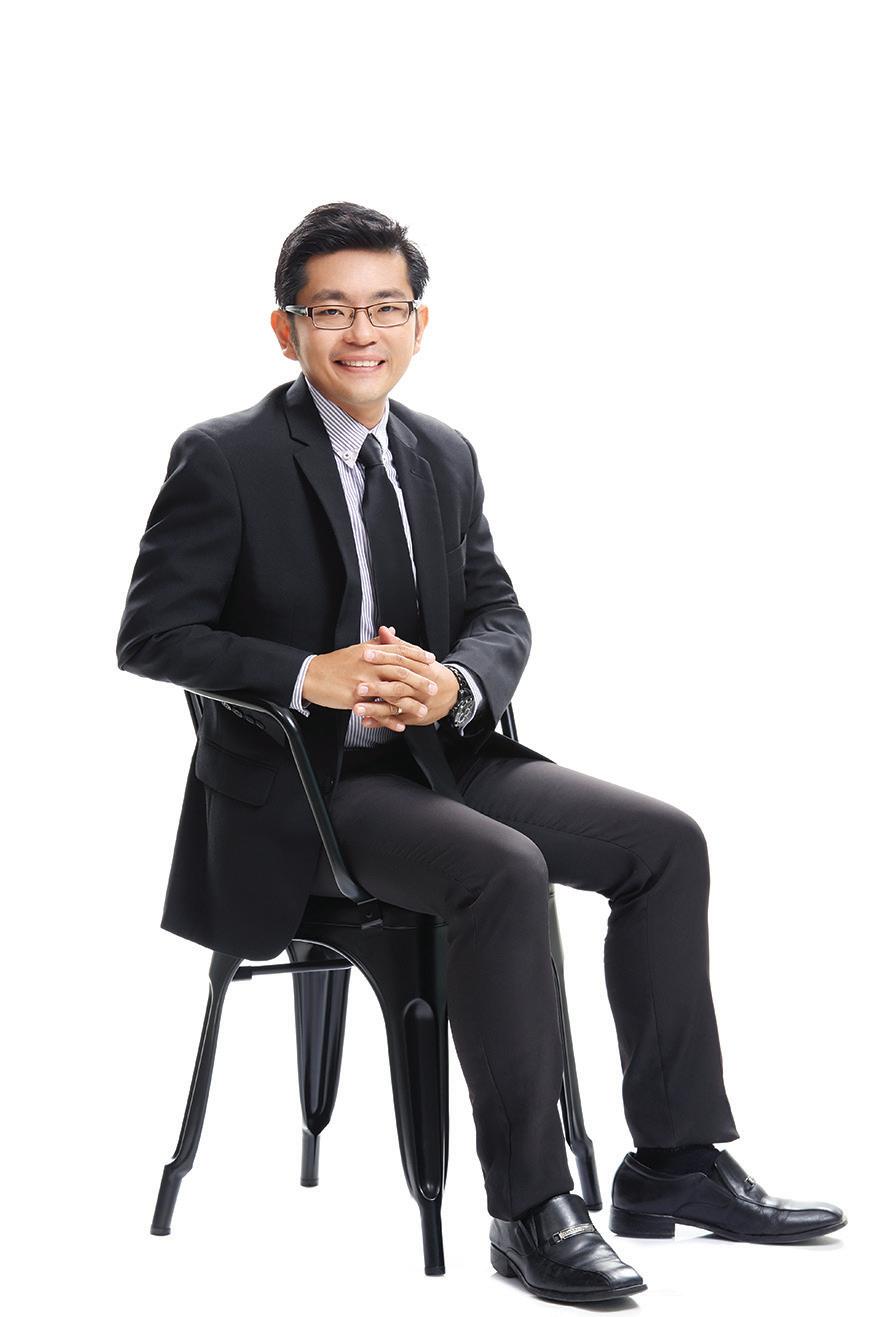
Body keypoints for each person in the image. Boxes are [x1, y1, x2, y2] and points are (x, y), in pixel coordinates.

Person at [116, 201, 846, 1303]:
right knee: (500, 868)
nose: (361, 331)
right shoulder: (224, 457)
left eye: (385, 307)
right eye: (331, 310)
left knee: (663, 843)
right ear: (285, 329)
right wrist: (310, 674)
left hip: (440, 758)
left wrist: (455, 683)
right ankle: (529, 1209)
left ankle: (674, 1162)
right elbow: (152, 635)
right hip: (308, 788)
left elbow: (499, 611)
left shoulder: (442, 453)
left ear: (419, 323)